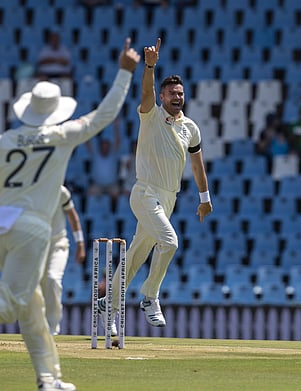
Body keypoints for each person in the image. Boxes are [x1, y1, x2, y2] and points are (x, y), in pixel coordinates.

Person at [0, 38, 140, 391]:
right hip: (32, 229)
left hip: (0, 227)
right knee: (10, 305)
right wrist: (125, 73)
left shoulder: (5, 140)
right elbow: (105, 116)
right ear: (56, 111)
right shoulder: (61, 134)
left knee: (32, 307)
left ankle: (48, 378)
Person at [97, 38, 212, 330]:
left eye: (181, 93)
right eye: (172, 93)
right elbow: (145, 90)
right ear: (162, 97)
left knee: (135, 256)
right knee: (170, 241)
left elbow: (197, 164)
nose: (177, 97)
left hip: (168, 198)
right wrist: (149, 66)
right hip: (145, 192)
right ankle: (150, 296)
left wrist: (204, 196)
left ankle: (107, 305)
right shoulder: (151, 115)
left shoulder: (190, 128)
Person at [41, 185, 85, 336]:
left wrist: (80, 243)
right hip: (35, 247)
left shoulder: (61, 191)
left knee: (52, 279)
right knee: (36, 288)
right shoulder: (29, 189)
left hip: (58, 245)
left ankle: (52, 329)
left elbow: (73, 217)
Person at [86, 118, 122, 205]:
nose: (105, 148)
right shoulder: (96, 155)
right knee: (90, 193)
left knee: (117, 194)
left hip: (112, 185)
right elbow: (87, 142)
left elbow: (118, 141)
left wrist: (116, 127)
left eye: (106, 146)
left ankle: (114, 215)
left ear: (109, 147)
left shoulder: (113, 155)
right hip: (98, 185)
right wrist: (92, 126)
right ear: (100, 146)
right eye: (103, 146)